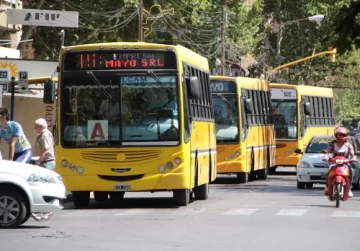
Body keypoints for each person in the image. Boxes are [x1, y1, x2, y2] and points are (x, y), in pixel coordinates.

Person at [324, 126, 356, 198]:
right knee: (329, 170)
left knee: (351, 171)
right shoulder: (332, 144)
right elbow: (327, 152)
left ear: (345, 136)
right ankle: (327, 187)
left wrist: (353, 158)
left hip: (345, 163)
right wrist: (326, 157)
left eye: (342, 135)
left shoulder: (348, 145)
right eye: (338, 135)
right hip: (334, 163)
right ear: (336, 135)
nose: (340, 136)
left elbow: (352, 154)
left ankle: (349, 189)